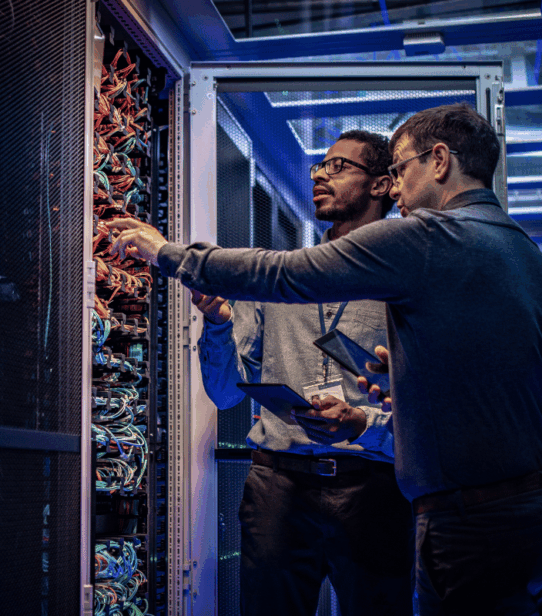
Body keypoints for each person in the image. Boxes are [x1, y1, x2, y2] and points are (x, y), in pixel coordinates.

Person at [107, 103, 542, 615]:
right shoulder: (527, 257)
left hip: (460, 520)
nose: (397, 190)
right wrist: (407, 384)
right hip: (531, 514)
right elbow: (495, 380)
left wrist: (168, 253)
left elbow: (286, 276)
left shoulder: (430, 239)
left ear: (439, 161)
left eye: (400, 171)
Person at [190, 131, 414, 616]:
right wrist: (217, 323)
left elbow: (430, 399)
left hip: (374, 486)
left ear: (380, 185)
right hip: (279, 486)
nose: (318, 176)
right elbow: (226, 393)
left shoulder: (405, 279)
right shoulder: (281, 275)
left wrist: (361, 420)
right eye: (318, 167)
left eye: (337, 167)